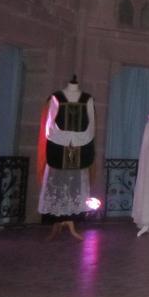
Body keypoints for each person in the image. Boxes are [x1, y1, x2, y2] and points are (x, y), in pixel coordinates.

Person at [37, 77, 95, 241]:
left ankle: (70, 220)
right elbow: (50, 123)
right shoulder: (57, 97)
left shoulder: (87, 99)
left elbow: (91, 124)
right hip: (59, 146)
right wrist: (65, 137)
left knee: (73, 185)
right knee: (57, 184)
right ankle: (57, 221)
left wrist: (78, 139)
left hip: (79, 147)